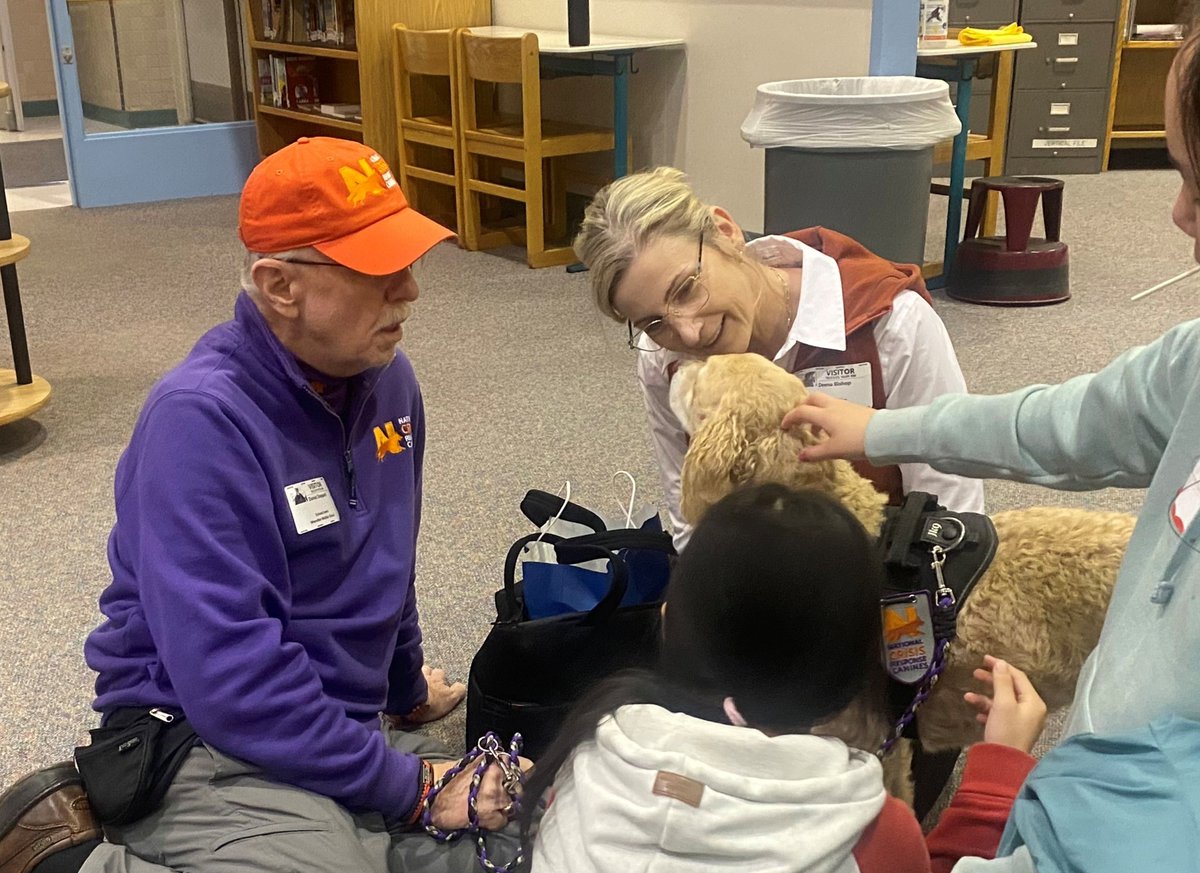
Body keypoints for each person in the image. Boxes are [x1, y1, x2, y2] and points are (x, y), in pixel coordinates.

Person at [0, 137, 516, 873]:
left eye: (410, 260)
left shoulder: (389, 382)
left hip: (331, 721)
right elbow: (231, 680)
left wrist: (404, 689)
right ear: (280, 285)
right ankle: (57, 855)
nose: (410, 289)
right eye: (379, 269)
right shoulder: (199, 420)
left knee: (511, 841)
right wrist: (409, 785)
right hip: (203, 733)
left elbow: (387, 563)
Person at [781, 27, 1200, 768]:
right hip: (1086, 774)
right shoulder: (1190, 361)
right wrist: (882, 431)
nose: (1175, 212)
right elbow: (1056, 423)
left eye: (1194, 178)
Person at [523, 483, 1047, 873]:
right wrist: (995, 779)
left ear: (665, 619)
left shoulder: (586, 754)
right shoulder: (873, 833)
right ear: (864, 666)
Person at [572, 166, 984, 552]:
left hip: (883, 565)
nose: (688, 333)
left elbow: (951, 506)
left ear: (725, 231)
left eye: (686, 289)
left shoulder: (889, 320)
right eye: (654, 322)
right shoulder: (664, 356)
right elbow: (691, 511)